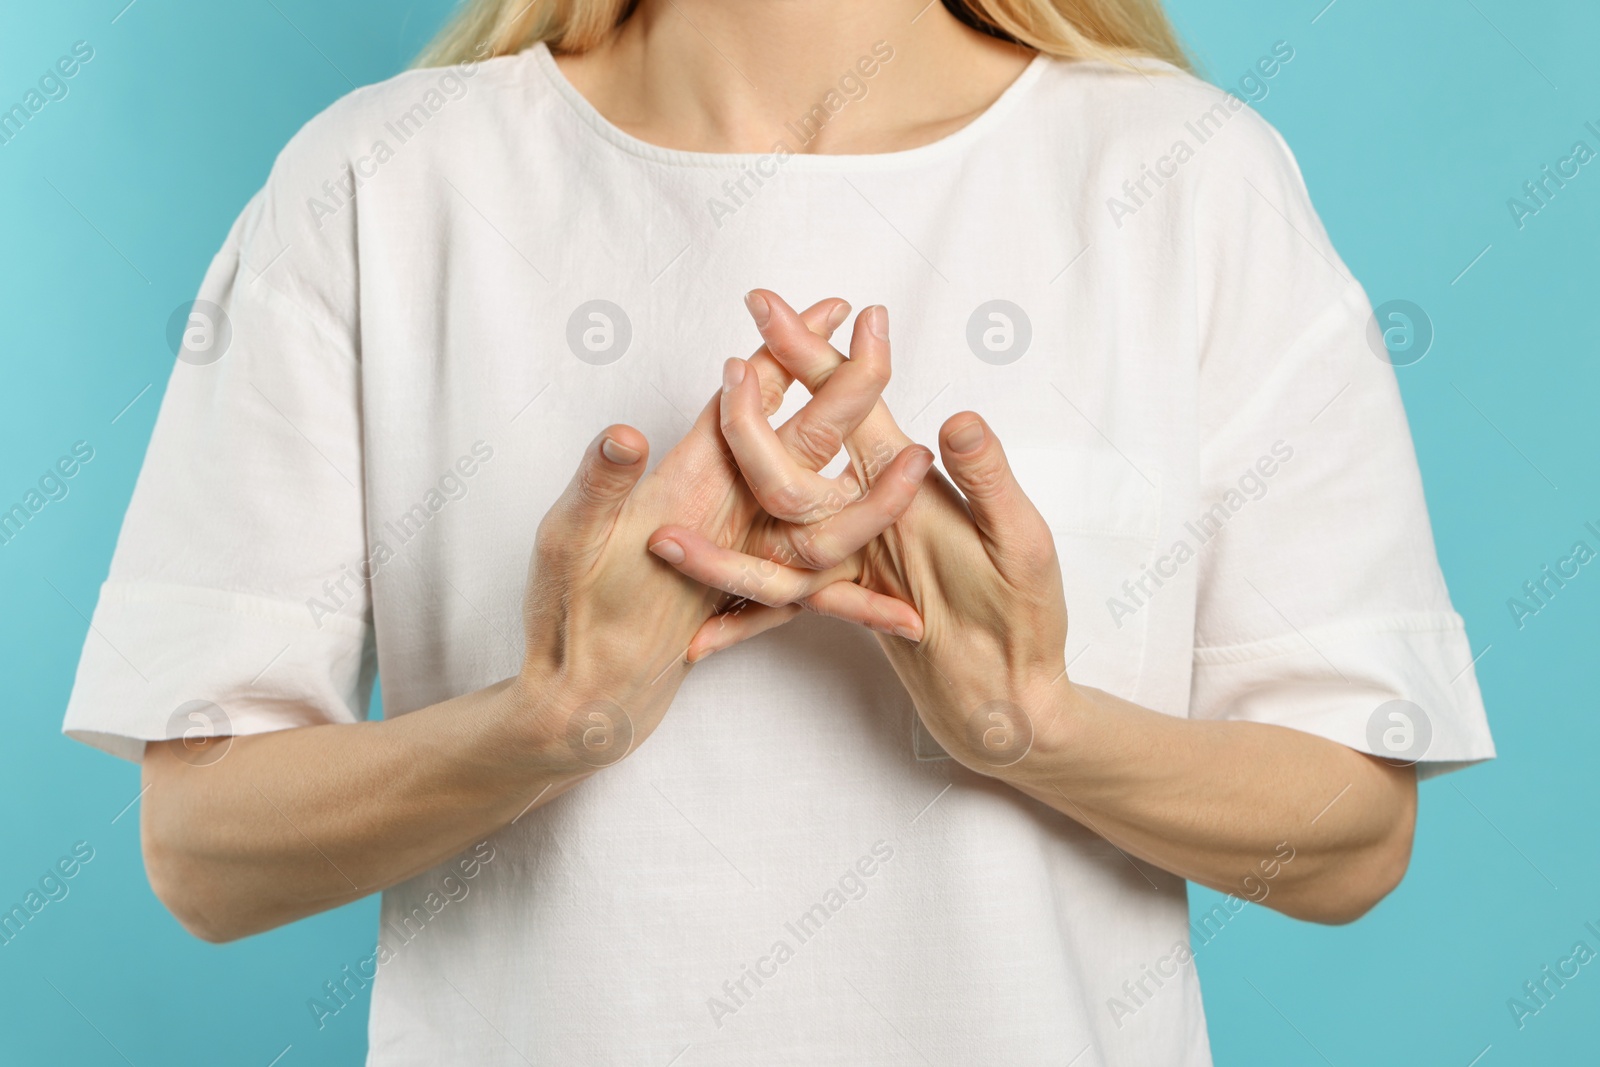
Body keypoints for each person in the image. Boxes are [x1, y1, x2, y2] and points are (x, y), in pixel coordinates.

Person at [63, 0, 1495, 1062]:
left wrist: (1026, 722)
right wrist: (554, 718)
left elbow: (1352, 835)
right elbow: (202, 850)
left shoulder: (1189, 182)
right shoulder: (379, 183)